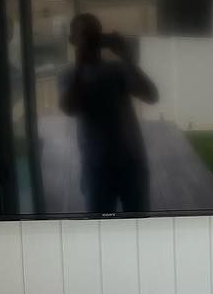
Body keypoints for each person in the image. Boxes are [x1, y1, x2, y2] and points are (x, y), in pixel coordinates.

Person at [58, 13, 160, 214]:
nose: (91, 40)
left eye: (95, 34)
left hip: (132, 163)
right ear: (72, 40)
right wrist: (80, 64)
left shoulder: (118, 69)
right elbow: (69, 109)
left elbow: (151, 96)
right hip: (96, 166)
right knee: (99, 229)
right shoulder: (69, 74)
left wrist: (128, 59)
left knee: (139, 224)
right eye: (85, 35)